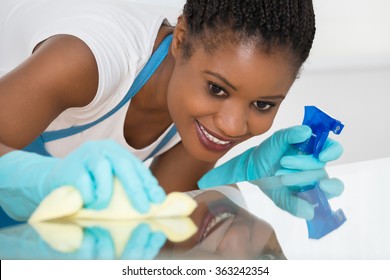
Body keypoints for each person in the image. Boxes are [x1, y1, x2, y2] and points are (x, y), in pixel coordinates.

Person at [0, 0, 342, 226]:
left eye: (263, 104)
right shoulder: (82, 62)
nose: (232, 125)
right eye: (217, 89)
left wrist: (239, 179)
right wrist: (44, 180)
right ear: (180, 39)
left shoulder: (196, 115)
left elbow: (158, 221)